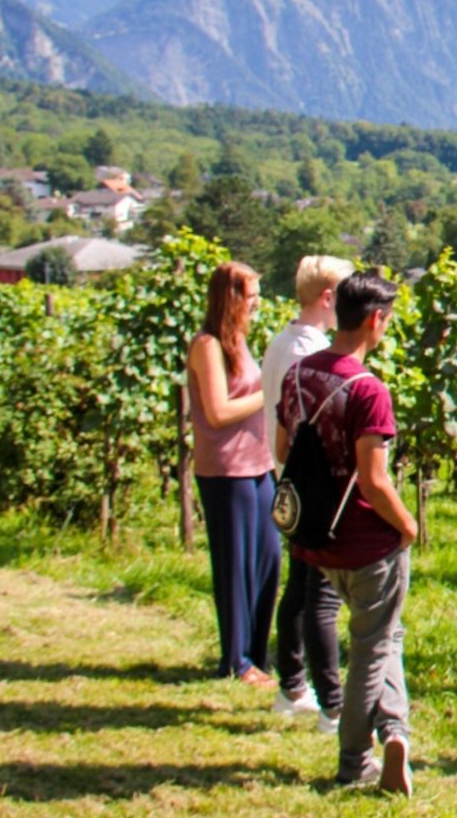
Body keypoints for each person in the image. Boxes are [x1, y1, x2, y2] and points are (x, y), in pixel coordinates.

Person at [273, 271, 416, 795]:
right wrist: (408, 525)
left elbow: (284, 450)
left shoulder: (297, 374)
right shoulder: (368, 390)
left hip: (317, 536)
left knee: (384, 635)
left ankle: (396, 731)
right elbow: (375, 481)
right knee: (372, 648)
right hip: (366, 539)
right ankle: (355, 759)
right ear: (375, 320)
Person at [262, 254, 354, 731]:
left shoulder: (283, 341)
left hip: (290, 481)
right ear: (327, 298)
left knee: (299, 587)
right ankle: (331, 706)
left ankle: (292, 685)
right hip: (312, 484)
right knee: (320, 593)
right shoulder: (308, 353)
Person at [186, 260, 278, 686]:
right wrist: (267, 396)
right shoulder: (207, 346)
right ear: (231, 298)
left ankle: (257, 654)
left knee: (267, 559)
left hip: (257, 464)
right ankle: (236, 660)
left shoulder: (238, 341)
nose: (257, 305)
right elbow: (218, 411)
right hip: (226, 470)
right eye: (251, 297)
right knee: (235, 564)